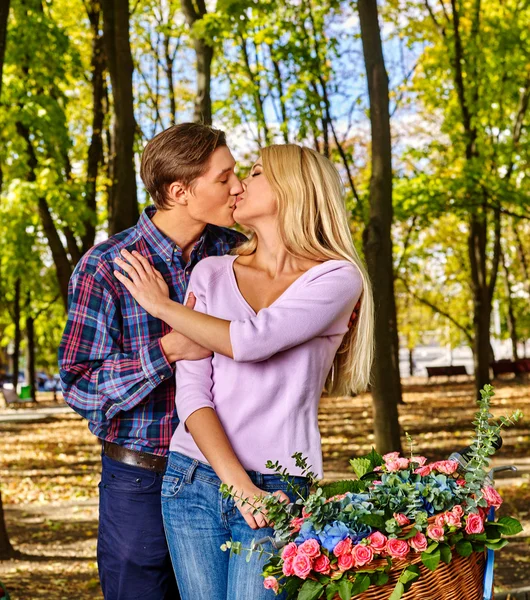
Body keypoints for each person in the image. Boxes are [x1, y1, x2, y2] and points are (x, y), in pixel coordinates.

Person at [114, 144, 375, 599]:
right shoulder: (211, 272)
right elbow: (193, 393)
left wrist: (161, 306)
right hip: (193, 478)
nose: (238, 186)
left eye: (254, 173)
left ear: (293, 188)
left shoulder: (336, 278)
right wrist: (236, 483)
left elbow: (252, 341)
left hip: (279, 487)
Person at [58, 123, 246, 600]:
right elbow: (80, 386)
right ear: (179, 191)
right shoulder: (106, 267)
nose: (237, 187)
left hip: (224, 475)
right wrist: (166, 352)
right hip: (140, 480)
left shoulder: (238, 256)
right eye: (223, 178)